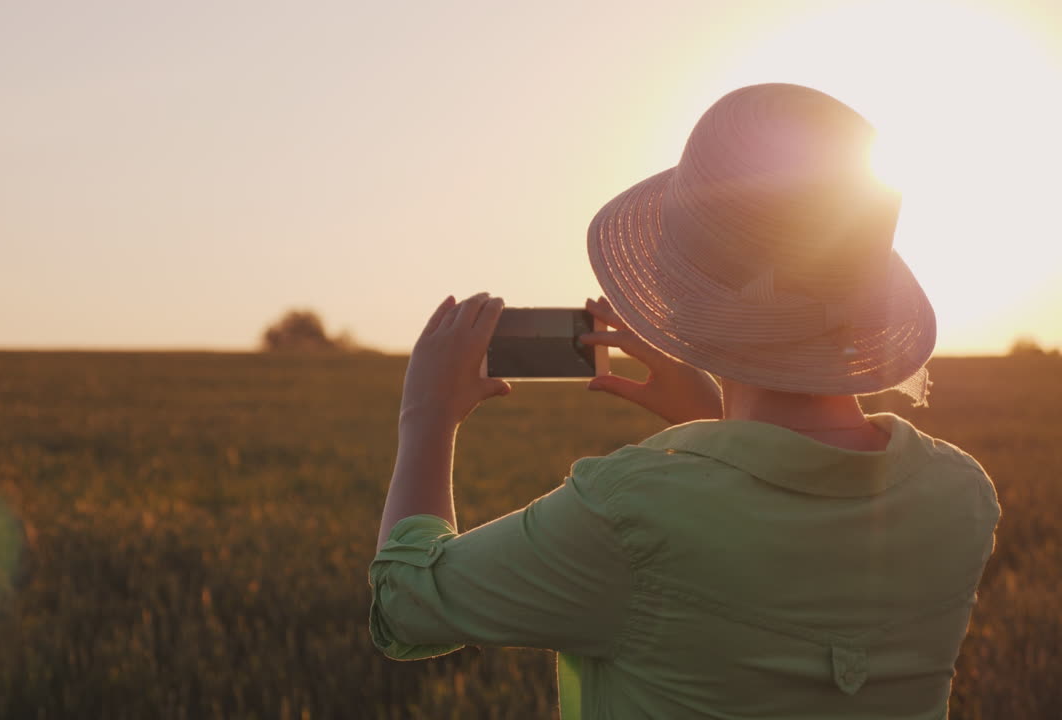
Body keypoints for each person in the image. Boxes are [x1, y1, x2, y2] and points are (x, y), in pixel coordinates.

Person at [367, 83, 1000, 719]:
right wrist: (713, 422)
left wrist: (425, 416)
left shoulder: (631, 512)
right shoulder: (961, 495)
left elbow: (406, 601)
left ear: (681, 307)